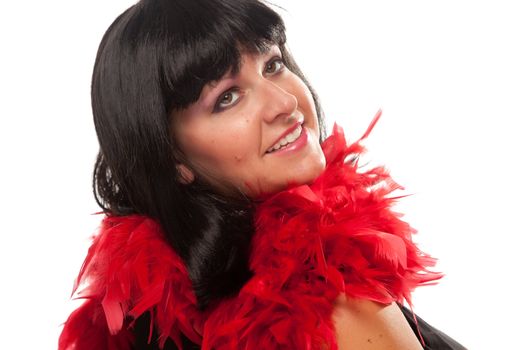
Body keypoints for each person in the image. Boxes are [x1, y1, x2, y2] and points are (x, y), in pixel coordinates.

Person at [59, 0, 466, 349]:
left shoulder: (147, 314)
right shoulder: (331, 305)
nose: (285, 102)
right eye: (227, 98)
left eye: (272, 64)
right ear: (170, 159)